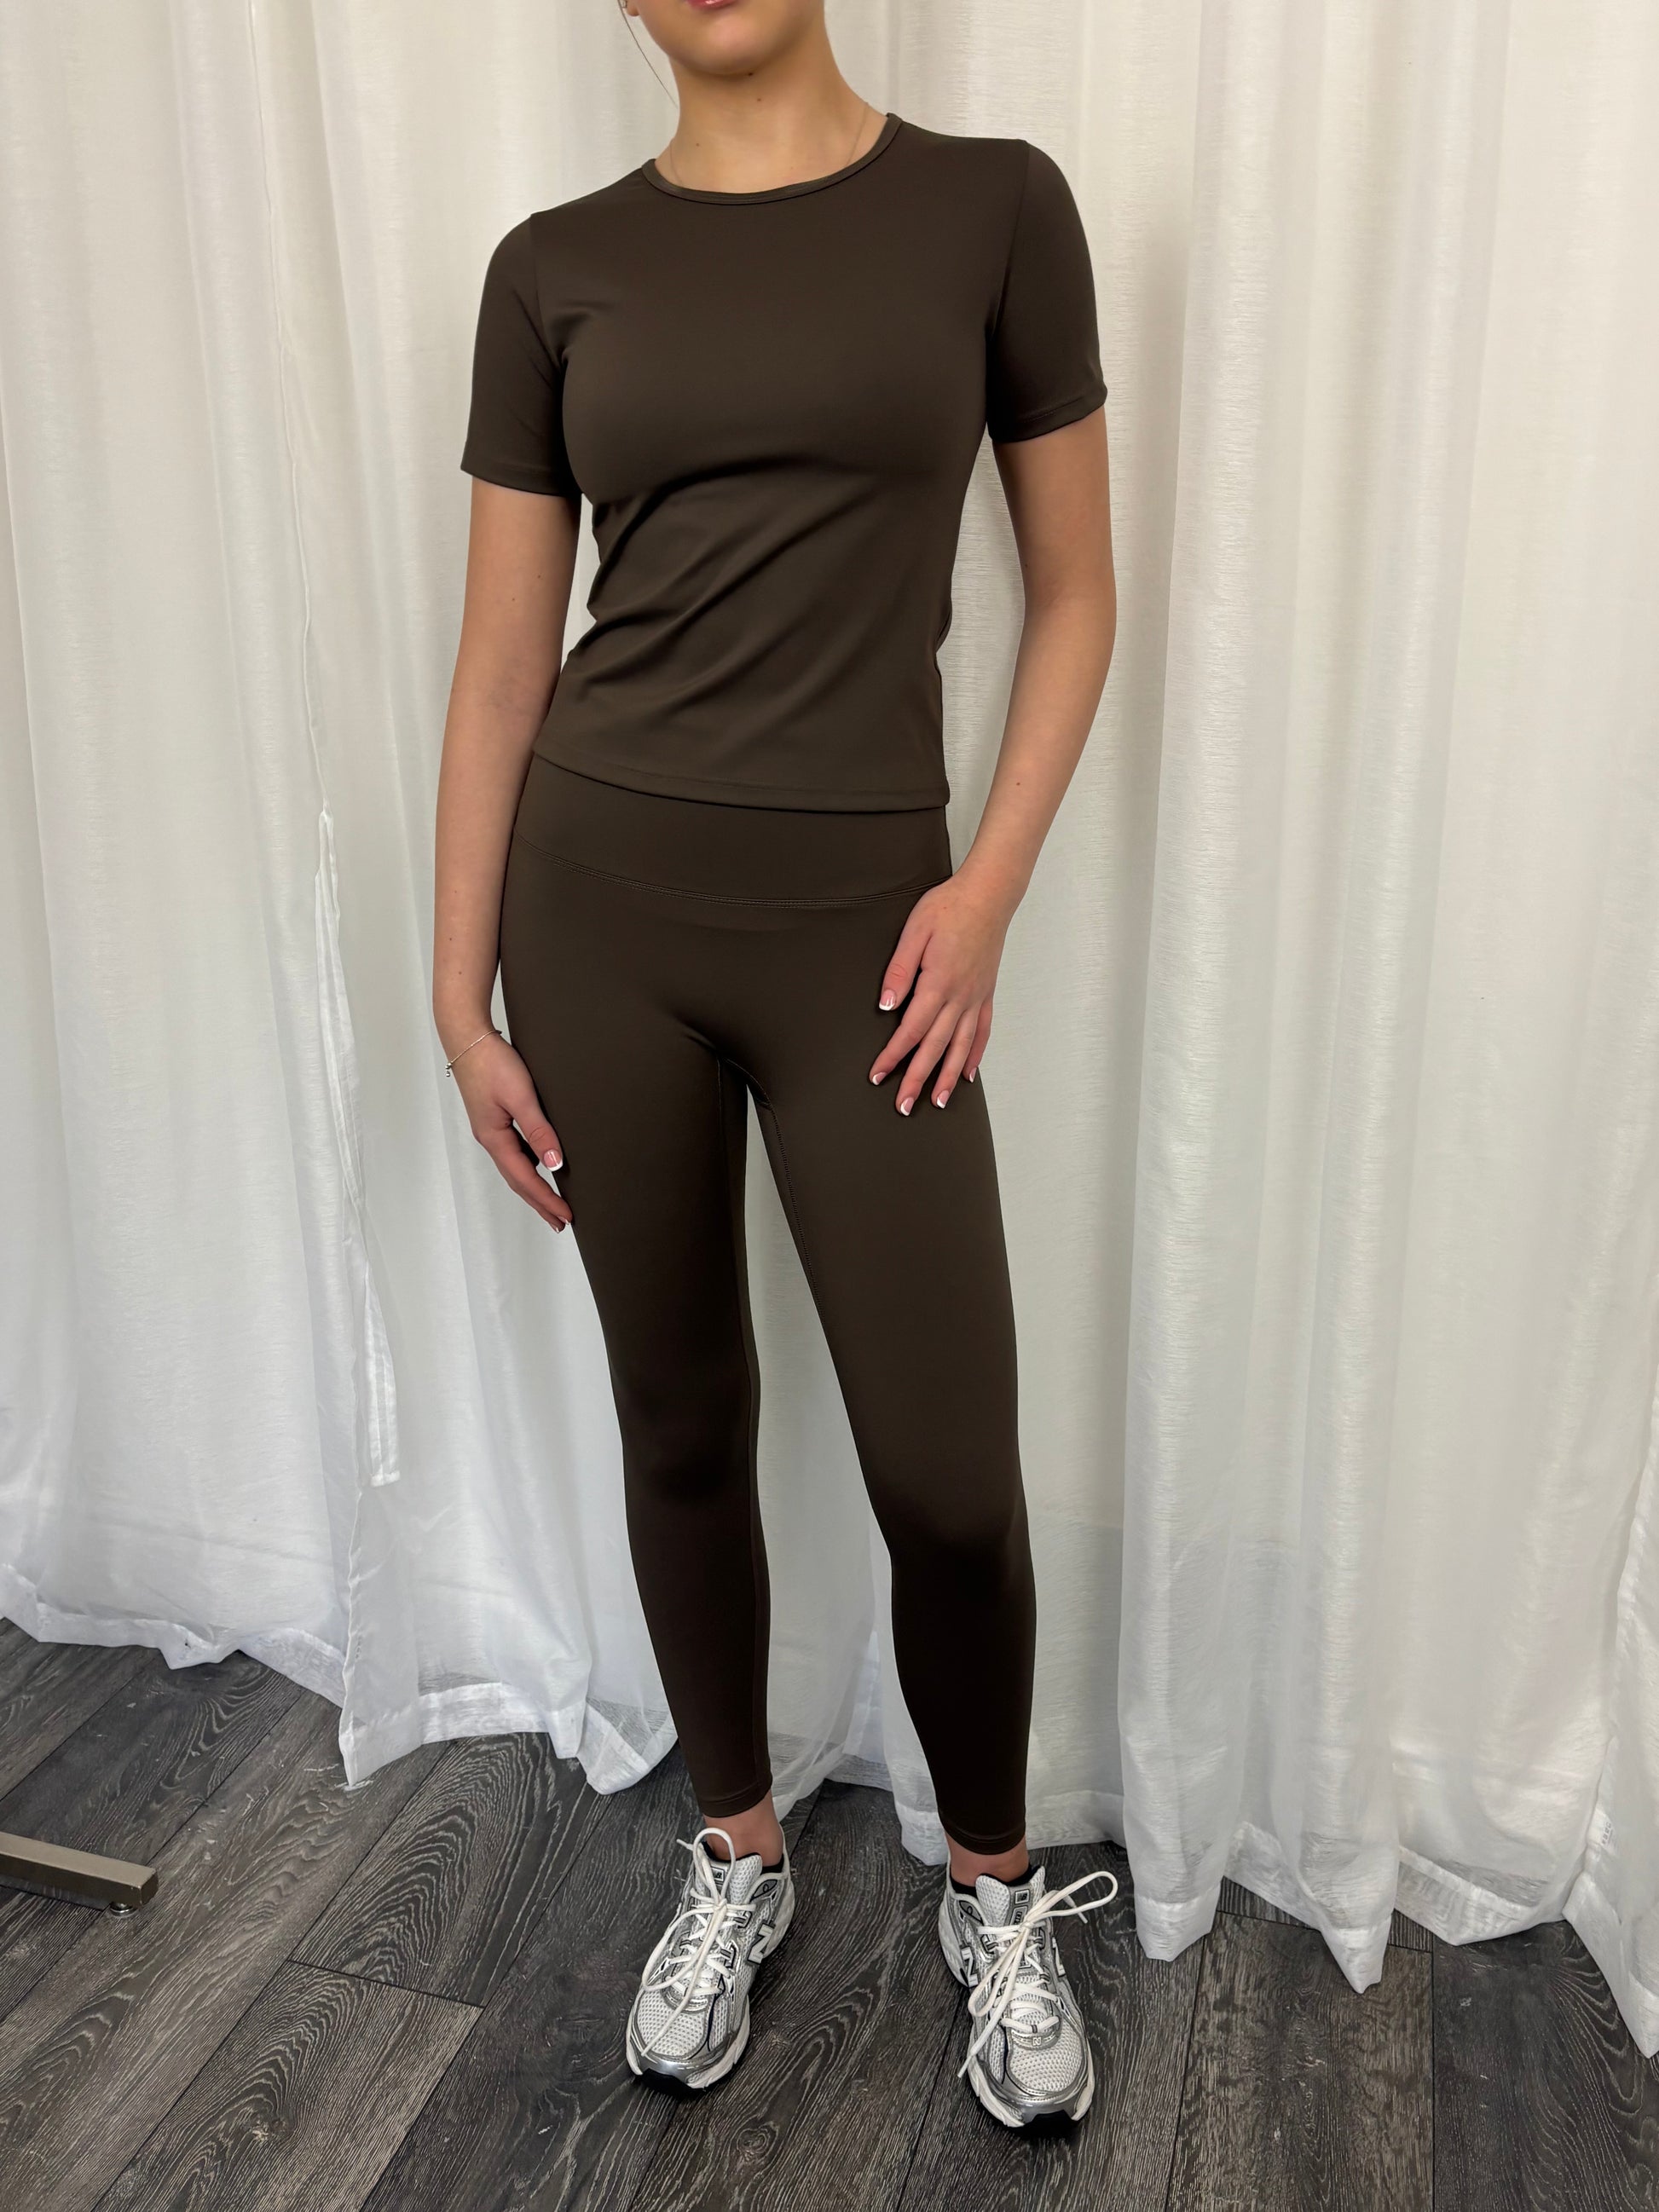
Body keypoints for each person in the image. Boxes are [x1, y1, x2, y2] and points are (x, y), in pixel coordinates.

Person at [434, 0, 1118, 2130]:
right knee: (679, 1419)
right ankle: (735, 1845)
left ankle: (989, 1880)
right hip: (599, 911)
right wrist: (457, 994)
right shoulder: (552, 267)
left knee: (950, 1478)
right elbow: (502, 664)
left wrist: (984, 891)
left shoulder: (992, 210)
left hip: (869, 934)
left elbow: (1078, 594)